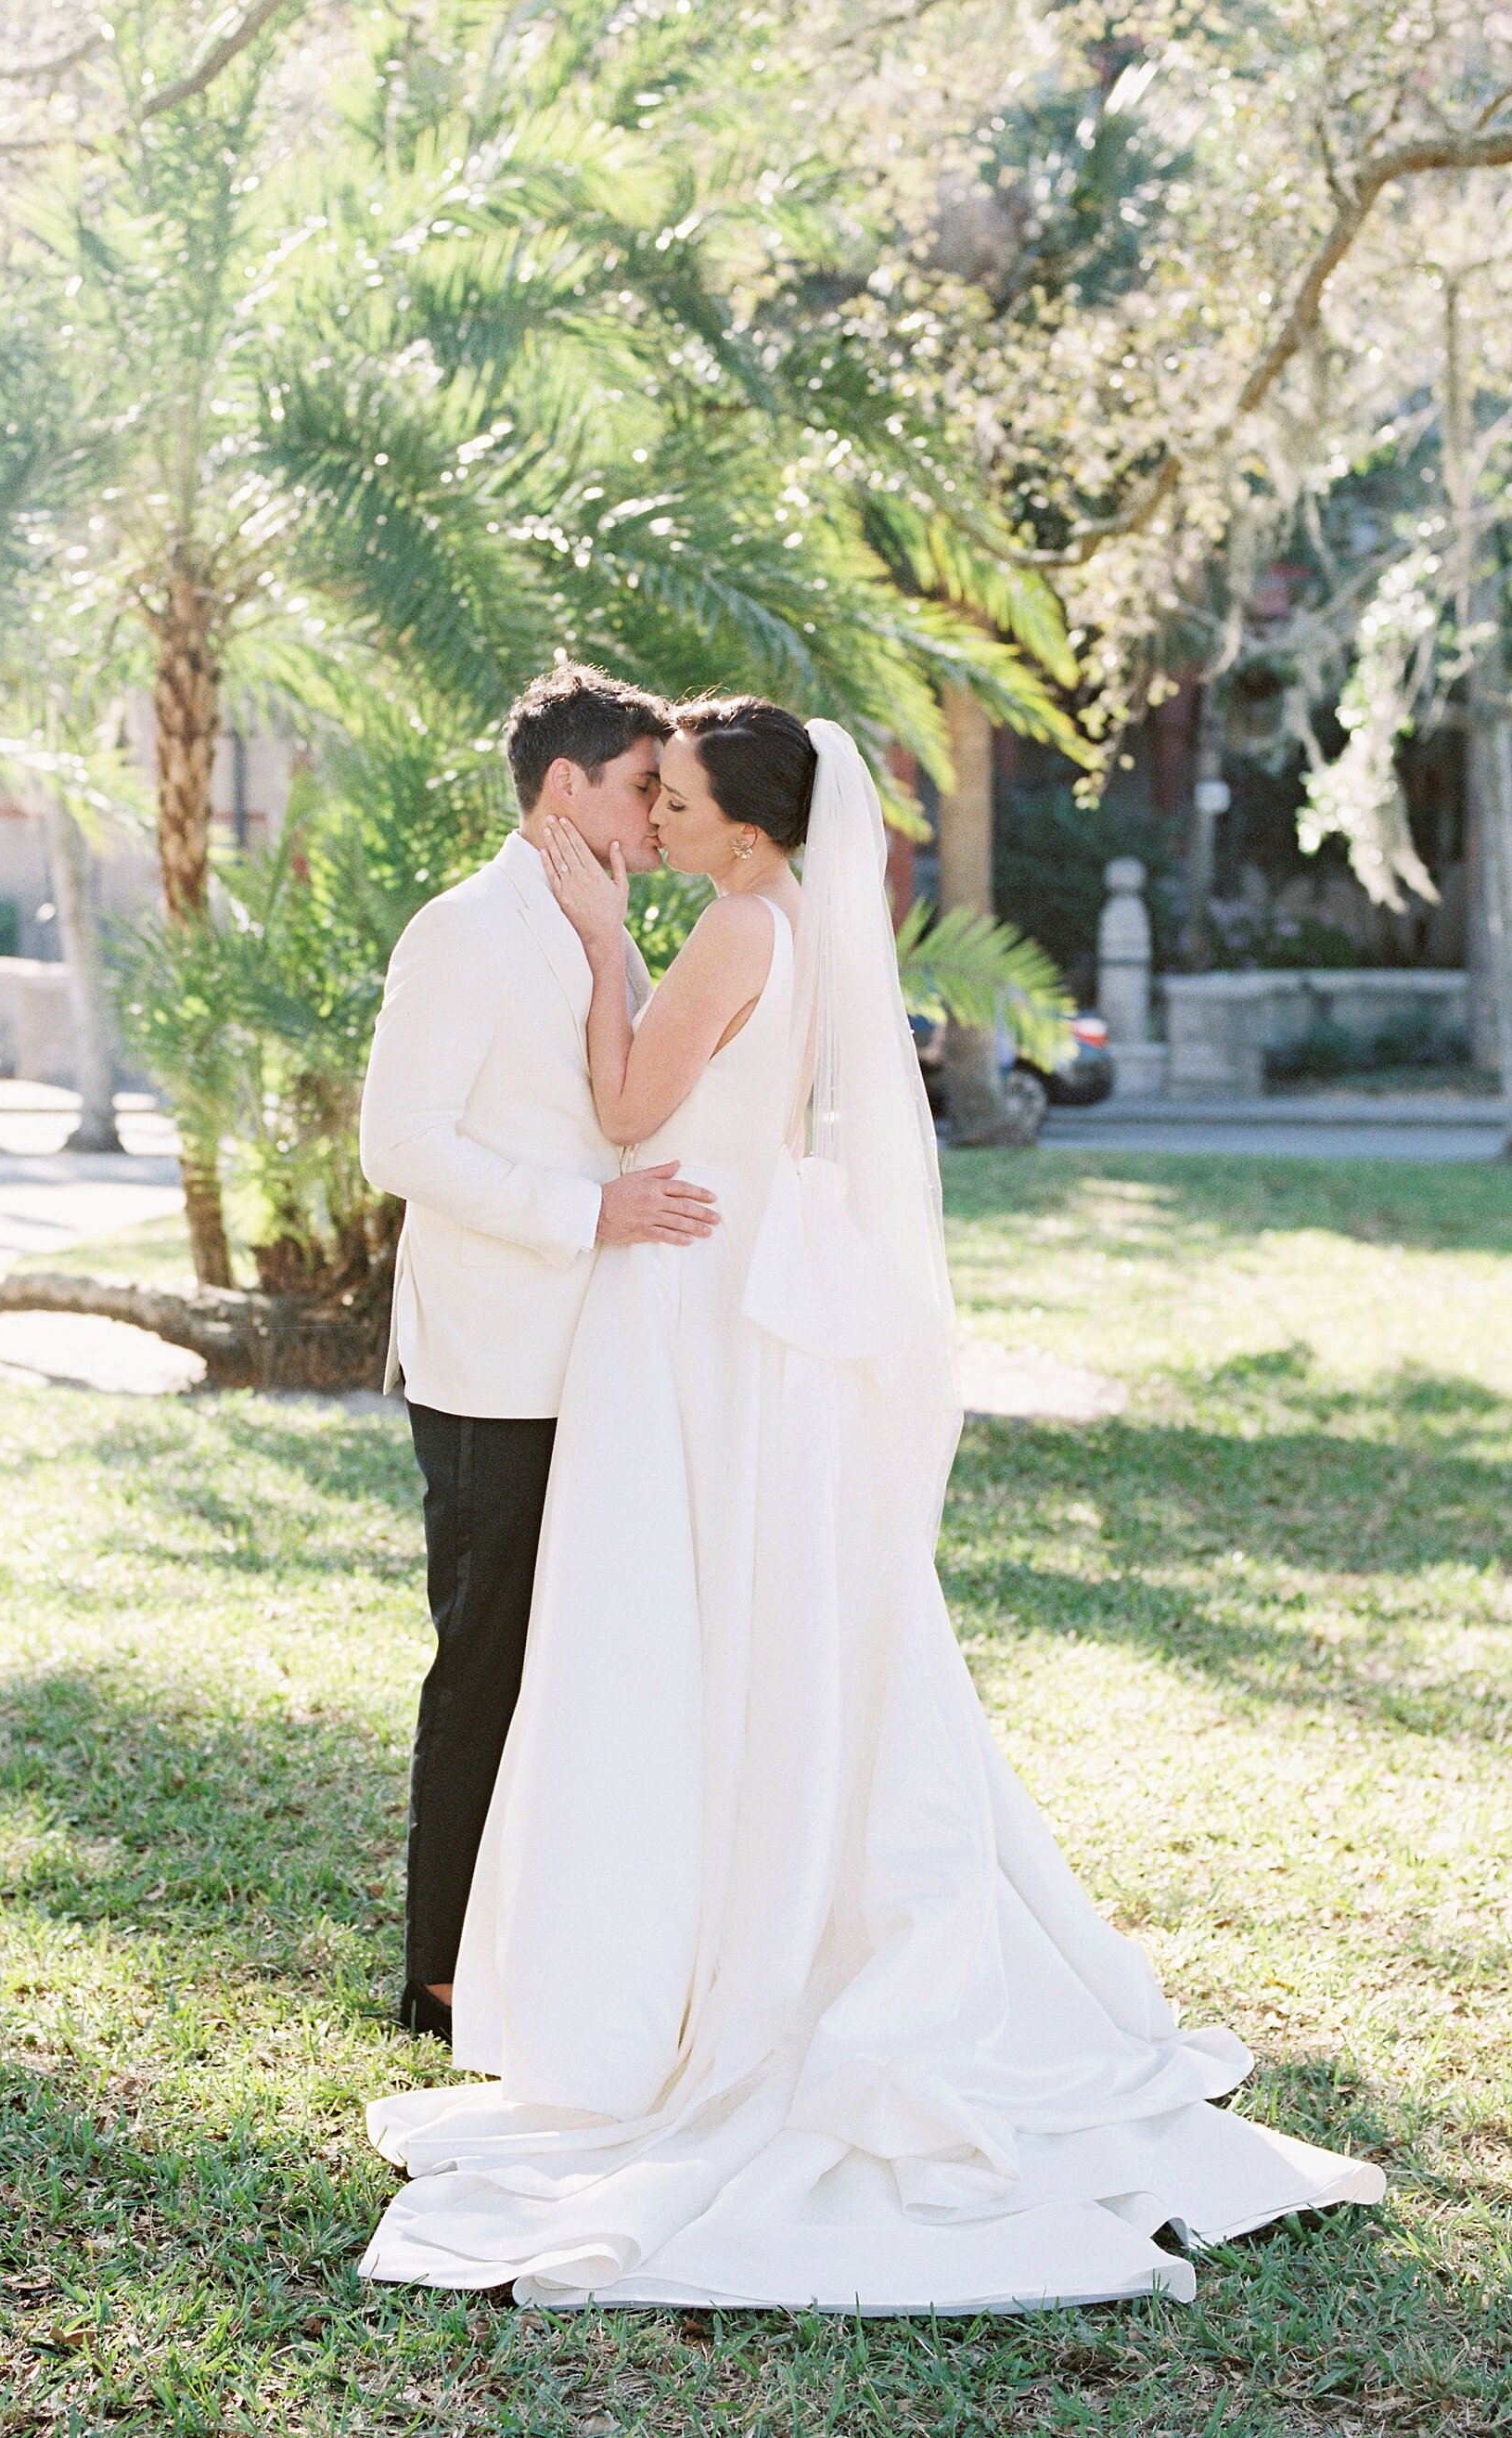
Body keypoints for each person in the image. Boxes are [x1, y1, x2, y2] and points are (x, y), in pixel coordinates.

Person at [360, 697, 1385, 2313]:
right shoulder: (743, 924)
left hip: (679, 1298)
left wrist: (601, 945)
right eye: (648, 792)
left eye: (679, 798)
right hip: (669, 1300)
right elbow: (495, 1124)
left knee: (670, 1623)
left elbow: (633, 1109)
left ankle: (674, 1964)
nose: (658, 820)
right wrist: (608, 957)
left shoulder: (722, 929)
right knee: (663, 1629)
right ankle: (550, 1959)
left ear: (749, 831)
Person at [359, 664, 721, 2045]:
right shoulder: (461, 931)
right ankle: (441, 1971)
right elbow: (403, 1144)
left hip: (611, 1360)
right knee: (488, 1658)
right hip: (495, 1363)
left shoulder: (607, 925)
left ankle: (555, 1945)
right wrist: (593, 1216)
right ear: (565, 787)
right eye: (641, 787)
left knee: (589, 1664)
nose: (658, 810)